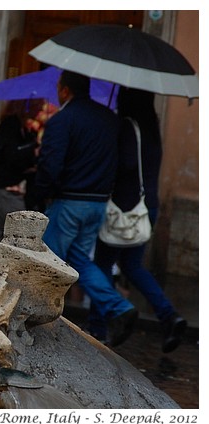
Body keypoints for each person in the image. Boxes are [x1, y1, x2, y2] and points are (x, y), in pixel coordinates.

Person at [33, 70, 138, 347]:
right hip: (98, 202)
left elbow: (51, 164)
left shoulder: (62, 120)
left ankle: (38, 318)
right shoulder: (110, 120)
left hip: (69, 201)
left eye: (58, 87)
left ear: (65, 90)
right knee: (80, 259)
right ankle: (119, 307)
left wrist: (40, 194)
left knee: (48, 259)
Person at [89, 87, 187, 352]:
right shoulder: (151, 128)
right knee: (133, 266)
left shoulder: (127, 127)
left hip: (124, 209)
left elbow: (127, 164)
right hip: (146, 208)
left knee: (101, 264)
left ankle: (99, 326)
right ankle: (169, 316)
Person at [0, 100, 39, 241]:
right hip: (6, 190)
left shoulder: (24, 129)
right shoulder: (10, 125)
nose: (40, 109)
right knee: (21, 236)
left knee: (1, 237)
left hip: (8, 190)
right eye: (37, 105)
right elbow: (11, 155)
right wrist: (32, 147)